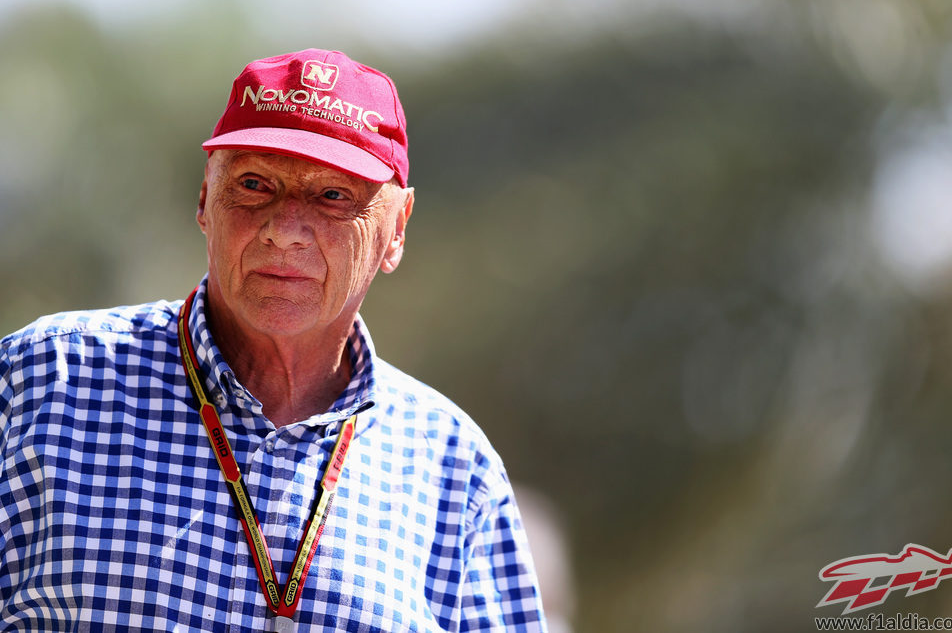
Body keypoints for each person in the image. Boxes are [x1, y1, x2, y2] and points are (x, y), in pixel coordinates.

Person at [0, 49, 547, 632]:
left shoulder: (455, 469)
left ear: (397, 229)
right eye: (255, 184)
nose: (284, 230)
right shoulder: (41, 383)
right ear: (206, 199)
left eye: (333, 195)